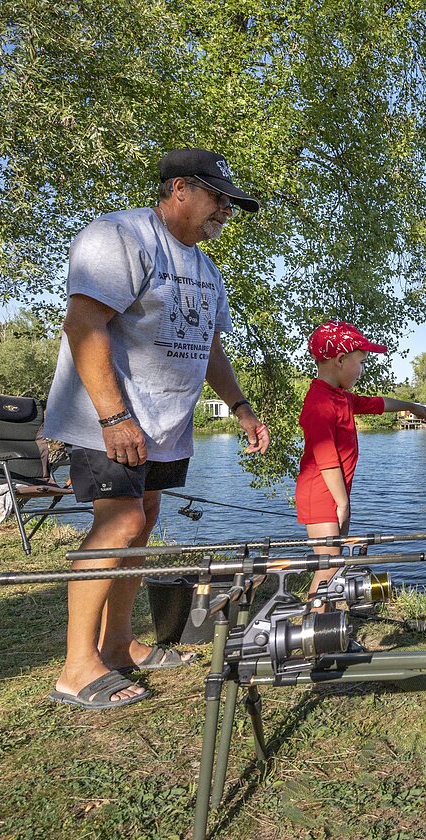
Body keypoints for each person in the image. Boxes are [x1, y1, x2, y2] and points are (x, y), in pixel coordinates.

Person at [43, 148, 270, 709]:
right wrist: (113, 416)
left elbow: (209, 349)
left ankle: (118, 646)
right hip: (111, 418)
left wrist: (239, 406)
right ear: (179, 189)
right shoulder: (120, 236)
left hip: (164, 424)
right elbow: (85, 322)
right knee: (117, 525)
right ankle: (76, 667)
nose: (226, 212)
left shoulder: (207, 270)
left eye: (230, 205)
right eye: (219, 199)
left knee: (142, 524)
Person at [296, 321, 426, 598]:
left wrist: (410, 405)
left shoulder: (340, 397)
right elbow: (326, 457)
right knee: (328, 567)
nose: (361, 371)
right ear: (340, 359)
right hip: (323, 493)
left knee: (336, 565)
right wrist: (342, 501)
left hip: (333, 493)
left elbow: (378, 403)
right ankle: (314, 626)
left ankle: (327, 624)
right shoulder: (319, 402)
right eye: (361, 362)